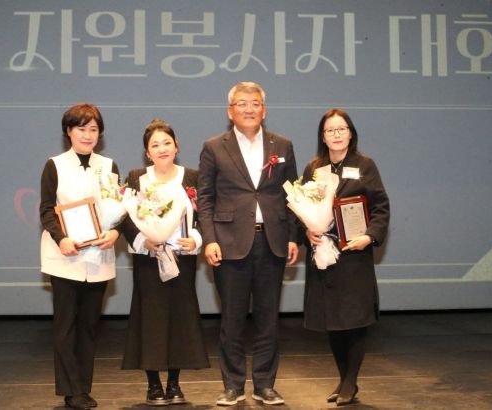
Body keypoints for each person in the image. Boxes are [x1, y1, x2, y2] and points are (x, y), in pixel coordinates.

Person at [197, 82, 299, 406]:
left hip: (272, 241)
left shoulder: (282, 145)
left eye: (255, 103)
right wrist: (209, 240)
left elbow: (293, 195)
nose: (249, 109)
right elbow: (205, 198)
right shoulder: (214, 147)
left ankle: (265, 385)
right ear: (231, 111)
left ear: (264, 110)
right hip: (229, 243)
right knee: (232, 319)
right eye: (242, 104)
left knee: (268, 319)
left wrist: (293, 236)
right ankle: (233, 385)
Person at [302, 108, 390, 406]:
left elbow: (381, 207)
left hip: (354, 254)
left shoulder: (365, 165)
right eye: (330, 130)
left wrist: (369, 236)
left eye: (342, 129)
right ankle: (344, 380)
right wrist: (307, 231)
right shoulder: (314, 168)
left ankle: (350, 382)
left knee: (353, 320)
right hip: (324, 254)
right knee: (333, 321)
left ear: (350, 133)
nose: (336, 134)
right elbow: (302, 207)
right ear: (323, 136)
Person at [121, 118, 209, 406]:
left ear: (176, 146)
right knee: (150, 320)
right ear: (147, 152)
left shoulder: (192, 177)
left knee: (179, 319)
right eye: (155, 145)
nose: (162, 149)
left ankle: (174, 383)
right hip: (149, 260)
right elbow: (124, 217)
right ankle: (153, 385)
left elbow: (206, 214)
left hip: (182, 259)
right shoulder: (136, 177)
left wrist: (196, 238)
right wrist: (142, 240)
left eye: (167, 143)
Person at [39, 103, 121, 410]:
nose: (87, 135)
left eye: (93, 129)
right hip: (66, 257)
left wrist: (115, 232)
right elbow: (47, 210)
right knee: (65, 327)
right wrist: (61, 238)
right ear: (69, 132)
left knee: (89, 327)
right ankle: (71, 390)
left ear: (100, 134)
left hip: (98, 257)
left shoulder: (109, 166)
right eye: (81, 129)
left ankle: (83, 388)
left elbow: (118, 208)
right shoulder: (55, 165)